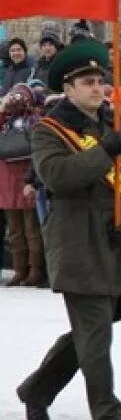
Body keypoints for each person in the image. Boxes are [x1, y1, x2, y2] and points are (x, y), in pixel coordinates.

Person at [16, 40, 121, 420]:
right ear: (69, 87)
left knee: (91, 330)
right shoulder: (49, 131)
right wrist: (102, 154)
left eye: (101, 81)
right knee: (96, 333)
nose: (98, 89)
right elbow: (57, 176)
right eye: (88, 82)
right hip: (77, 245)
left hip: (119, 244)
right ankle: (108, 417)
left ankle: (38, 390)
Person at [0, 84, 43, 286]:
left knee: (31, 230)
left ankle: (35, 269)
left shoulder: (34, 119)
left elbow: (39, 147)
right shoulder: (5, 120)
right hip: (7, 180)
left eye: (21, 96)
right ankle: (19, 269)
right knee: (15, 230)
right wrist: (3, 109)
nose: (17, 100)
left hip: (26, 177)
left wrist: (33, 180)